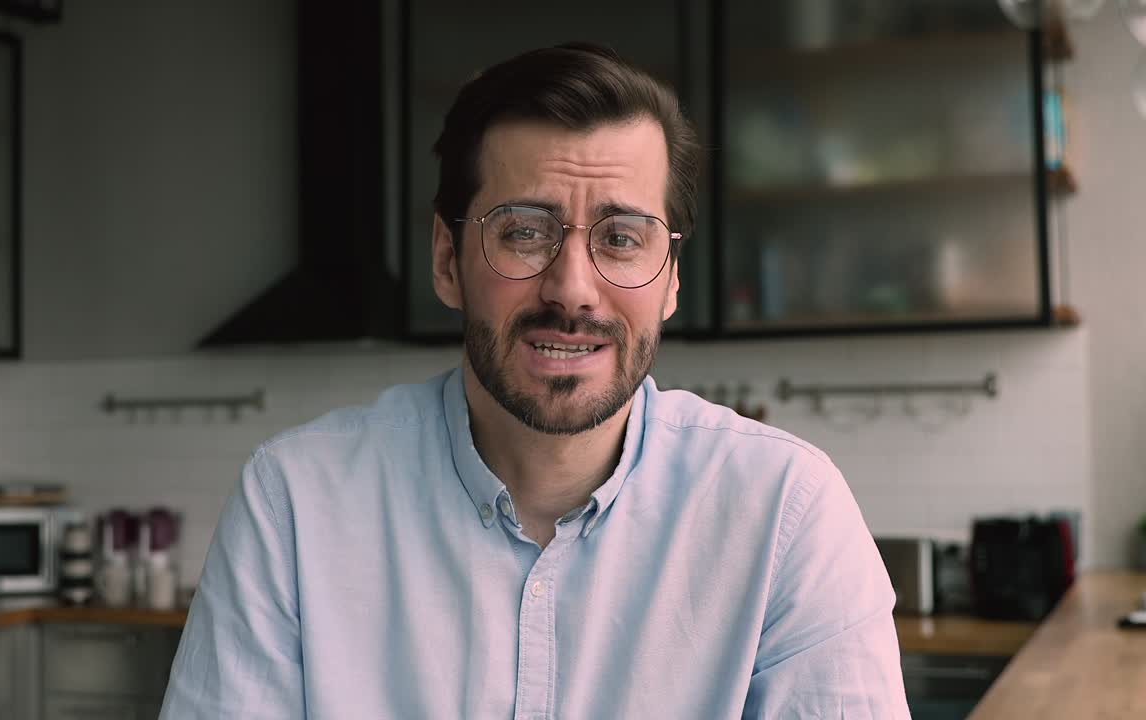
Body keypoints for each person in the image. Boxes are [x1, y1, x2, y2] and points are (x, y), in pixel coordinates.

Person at [161, 43, 909, 719]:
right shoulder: (292, 505)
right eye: (524, 231)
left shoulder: (787, 511)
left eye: (622, 239)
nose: (573, 290)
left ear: (672, 279)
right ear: (448, 260)